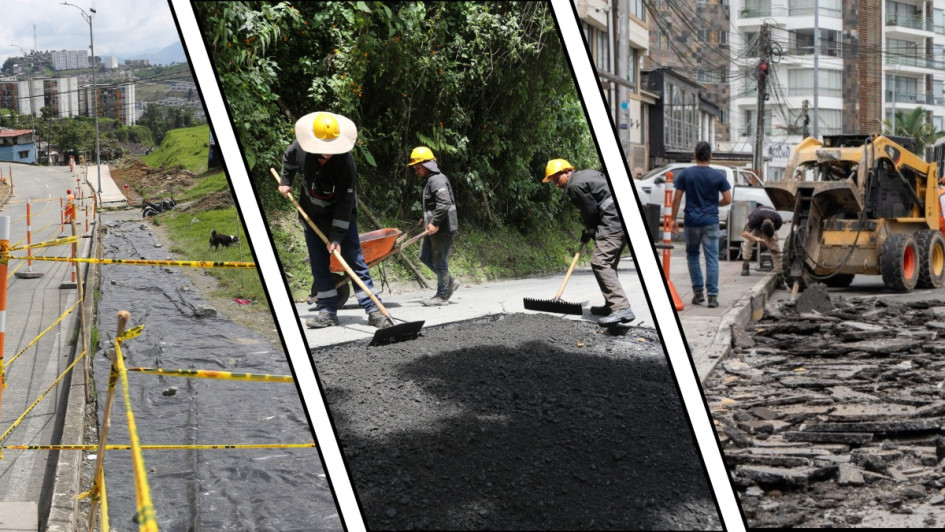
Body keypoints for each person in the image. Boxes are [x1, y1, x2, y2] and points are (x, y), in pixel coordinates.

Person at [279, 111, 389, 329]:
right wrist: (285, 180)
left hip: (342, 217)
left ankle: (374, 310)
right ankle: (328, 311)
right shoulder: (300, 148)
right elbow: (288, 160)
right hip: (311, 218)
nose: (328, 154)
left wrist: (337, 237)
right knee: (320, 265)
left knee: (355, 262)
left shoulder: (346, 163)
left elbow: (345, 203)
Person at [543, 159, 634, 325]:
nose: (556, 185)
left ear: (566, 172)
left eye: (556, 180)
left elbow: (590, 211)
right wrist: (589, 231)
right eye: (553, 182)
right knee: (609, 263)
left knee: (600, 263)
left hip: (613, 221)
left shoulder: (574, 186)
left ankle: (621, 308)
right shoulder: (586, 174)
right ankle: (612, 305)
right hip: (620, 218)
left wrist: (590, 229)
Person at [670, 141, 732, 308]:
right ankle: (712, 296)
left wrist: (673, 219)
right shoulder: (718, 176)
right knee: (712, 258)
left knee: (692, 256)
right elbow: (727, 199)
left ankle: (698, 294)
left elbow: (676, 197)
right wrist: (714, 205)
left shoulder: (686, 174)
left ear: (694, 155)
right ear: (710, 156)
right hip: (711, 222)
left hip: (691, 222)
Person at [408, 146, 460, 306]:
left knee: (439, 260)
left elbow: (444, 203)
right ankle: (449, 282)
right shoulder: (430, 180)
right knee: (424, 256)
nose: (416, 171)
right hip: (434, 228)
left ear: (426, 165)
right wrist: (426, 219)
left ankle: (442, 295)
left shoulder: (436, 180)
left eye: (417, 167)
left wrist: (435, 222)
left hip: (443, 229)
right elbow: (435, 204)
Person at [740, 204, 783, 285]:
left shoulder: (779, 220)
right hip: (756, 227)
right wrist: (758, 239)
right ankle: (745, 264)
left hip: (768, 227)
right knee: (748, 243)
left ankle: (779, 274)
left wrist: (771, 245)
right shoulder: (754, 218)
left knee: (776, 249)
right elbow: (744, 234)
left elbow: (771, 235)